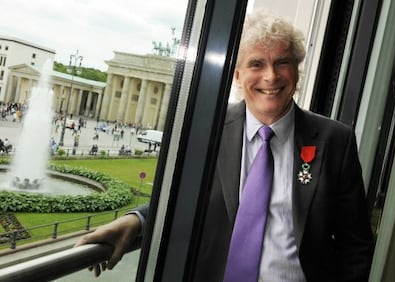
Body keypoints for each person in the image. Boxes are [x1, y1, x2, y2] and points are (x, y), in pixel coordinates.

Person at [75, 11, 374, 281]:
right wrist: (135, 220)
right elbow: (181, 200)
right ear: (237, 75)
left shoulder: (336, 140)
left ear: (296, 71)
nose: (271, 76)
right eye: (256, 63)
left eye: (282, 62)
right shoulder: (207, 131)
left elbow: (356, 243)